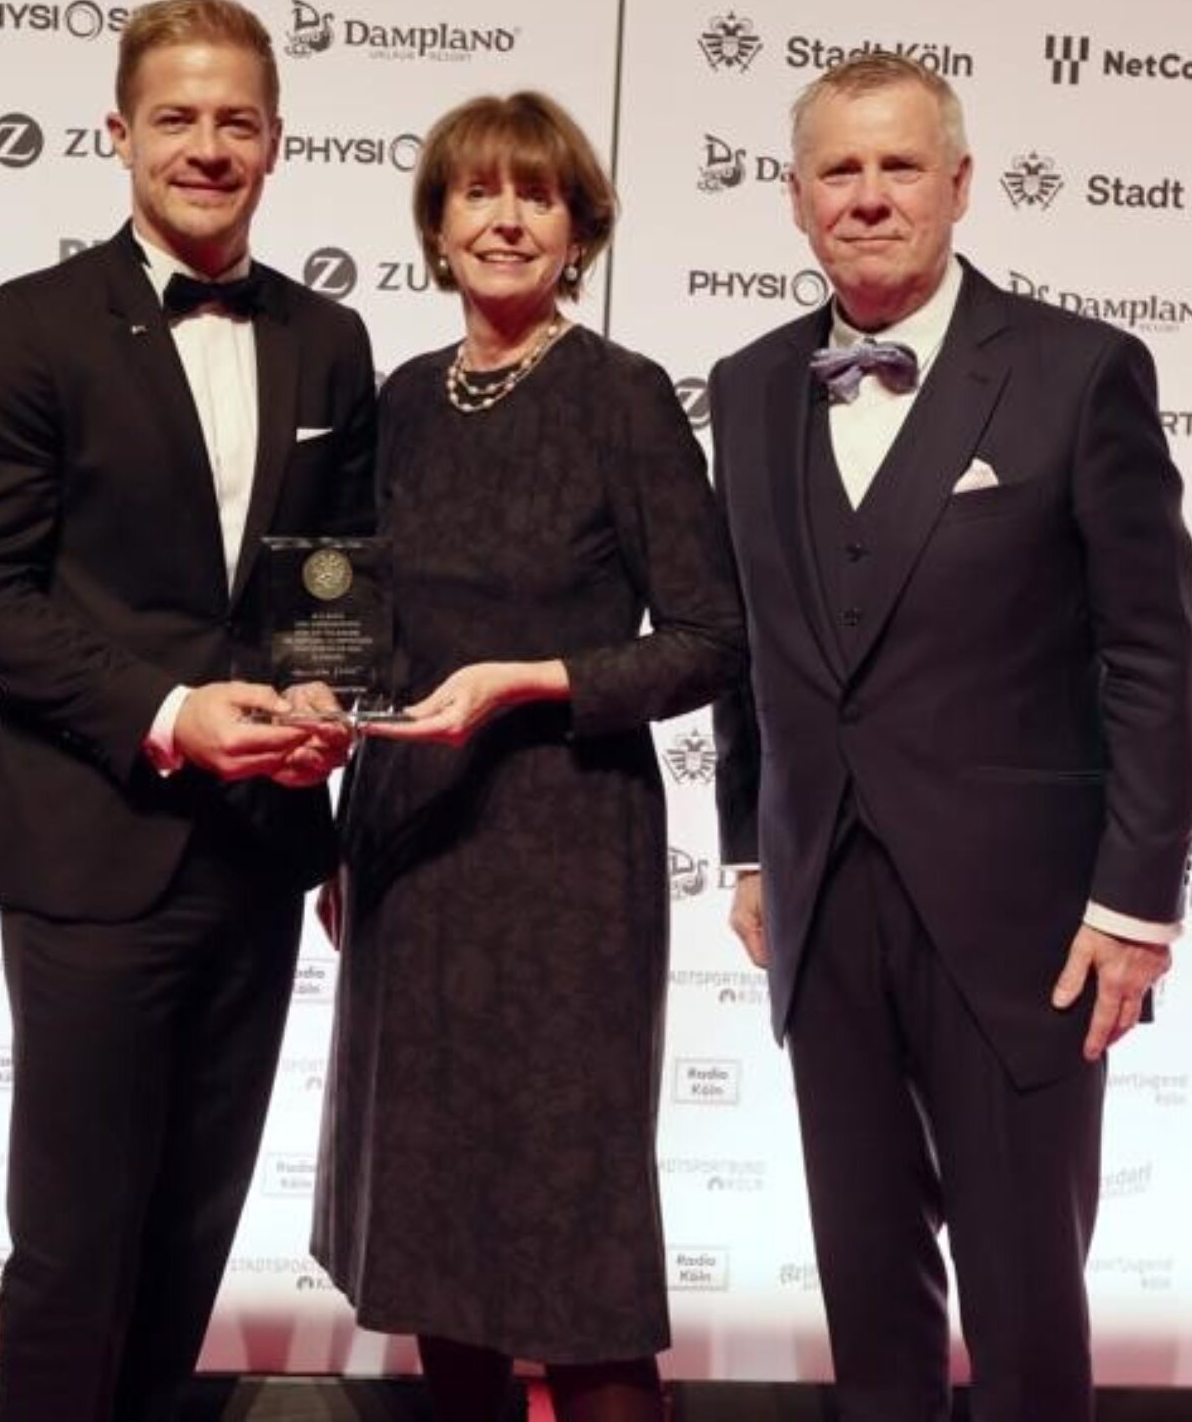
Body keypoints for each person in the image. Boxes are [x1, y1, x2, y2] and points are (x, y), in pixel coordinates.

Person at [708, 52, 1192, 1422]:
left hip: (1025, 924)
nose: (869, 197)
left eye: (901, 165)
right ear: (797, 197)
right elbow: (750, 637)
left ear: (961, 184)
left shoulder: (1079, 372)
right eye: (840, 170)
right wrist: (749, 847)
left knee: (1026, 1310)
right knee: (869, 1305)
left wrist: (1136, 904)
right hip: (822, 904)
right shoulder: (747, 385)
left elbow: (1154, 654)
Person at [0, 0, 378, 1422]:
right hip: (90, 842)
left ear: (277, 140)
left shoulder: (330, 337)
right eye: (176, 118)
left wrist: (323, 694)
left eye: (236, 120)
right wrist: (169, 711)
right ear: (118, 133)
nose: (207, 147)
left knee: (193, 1229)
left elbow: (333, 581)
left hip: (258, 848)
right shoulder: (29, 325)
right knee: (75, 1242)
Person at [312, 92, 745, 1422]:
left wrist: (534, 681)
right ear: (437, 226)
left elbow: (712, 637)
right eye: (479, 193)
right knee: (436, 1223)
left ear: (578, 230)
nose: (506, 219)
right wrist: (340, 835)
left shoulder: (622, 398)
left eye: (537, 196)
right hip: (413, 845)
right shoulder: (403, 401)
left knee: (573, 1235)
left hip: (566, 858)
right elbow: (362, 632)